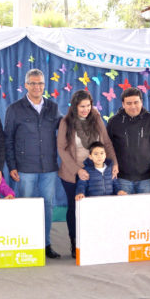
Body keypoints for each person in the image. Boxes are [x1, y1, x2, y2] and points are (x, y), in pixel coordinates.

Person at [4, 68, 62, 258]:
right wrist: (12, 165)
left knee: (47, 206)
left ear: (45, 85)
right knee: (26, 206)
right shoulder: (14, 109)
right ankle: (28, 242)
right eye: (33, 83)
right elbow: (8, 139)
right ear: (26, 85)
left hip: (49, 168)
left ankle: (45, 244)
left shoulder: (53, 108)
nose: (37, 87)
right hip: (25, 167)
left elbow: (65, 130)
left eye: (41, 83)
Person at [57, 90, 117, 258]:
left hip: (96, 172)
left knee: (95, 209)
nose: (85, 109)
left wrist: (115, 163)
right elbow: (61, 148)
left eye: (88, 106)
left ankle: (94, 241)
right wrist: (78, 170)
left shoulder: (96, 118)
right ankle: (74, 242)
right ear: (75, 106)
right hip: (72, 173)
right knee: (75, 208)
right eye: (82, 106)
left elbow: (106, 142)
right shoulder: (66, 122)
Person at [106, 87, 150, 194]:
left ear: (141, 102)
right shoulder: (114, 122)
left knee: (146, 211)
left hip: (147, 179)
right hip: (121, 179)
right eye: (129, 103)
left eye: (136, 102)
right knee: (124, 211)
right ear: (123, 104)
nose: (133, 106)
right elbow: (107, 148)